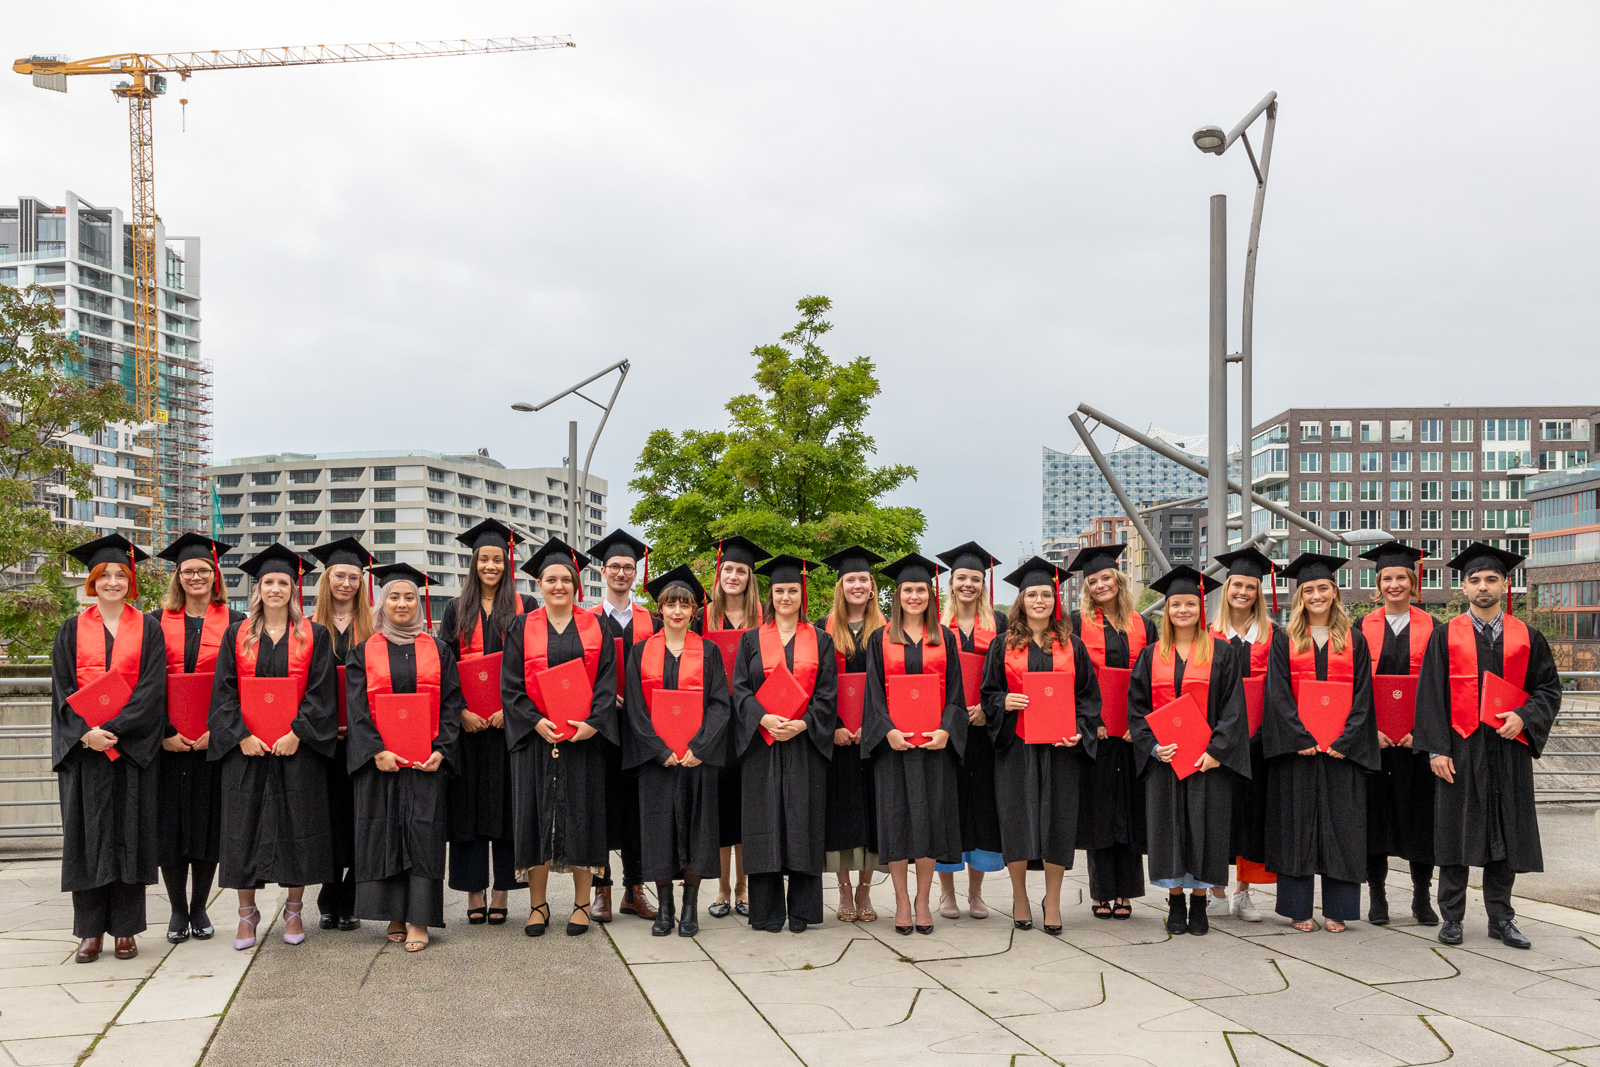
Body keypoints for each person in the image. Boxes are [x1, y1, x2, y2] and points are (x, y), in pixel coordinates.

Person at [1413, 543, 1562, 949]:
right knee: (1455, 832)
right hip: (1460, 747)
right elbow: (1430, 695)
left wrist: (1525, 717)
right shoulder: (1445, 636)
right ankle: (1452, 918)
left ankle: (1502, 918)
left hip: (1508, 746)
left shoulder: (1527, 637)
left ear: (1505, 584)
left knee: (1505, 832)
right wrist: (1436, 749)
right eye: (1475, 580)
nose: (1483, 587)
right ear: (1464, 587)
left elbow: (1548, 689)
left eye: (1491, 579)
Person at [209, 544, 339, 950]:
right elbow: (223, 692)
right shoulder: (237, 634)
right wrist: (241, 735)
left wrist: (297, 733)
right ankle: (246, 914)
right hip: (246, 750)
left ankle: (294, 910)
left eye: (283, 582)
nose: (276, 589)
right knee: (242, 830)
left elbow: (321, 692)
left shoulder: (314, 634)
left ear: (293, 589)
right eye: (269, 582)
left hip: (296, 749)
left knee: (298, 828)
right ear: (258, 588)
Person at [52, 534, 165, 964]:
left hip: (130, 751)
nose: (113, 582)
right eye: (105, 576)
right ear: (92, 582)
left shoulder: (148, 628)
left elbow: (152, 690)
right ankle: (88, 932)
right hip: (86, 754)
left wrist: (113, 729)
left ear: (130, 581)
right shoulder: (71, 629)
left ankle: (125, 929)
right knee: (86, 837)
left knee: (130, 836)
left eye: (120, 575)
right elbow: (62, 689)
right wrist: (86, 733)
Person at [501, 537, 619, 937]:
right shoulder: (522, 626)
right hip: (536, 739)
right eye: (551, 579)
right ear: (539, 585)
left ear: (576, 584)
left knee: (583, 816)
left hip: (583, 740)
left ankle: (582, 905)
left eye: (566, 579)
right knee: (535, 817)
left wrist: (593, 723)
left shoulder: (596, 625)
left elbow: (607, 682)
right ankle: (538, 905)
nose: (559, 586)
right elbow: (511, 685)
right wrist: (535, 721)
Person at [344, 563, 463, 952]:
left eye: (409, 597)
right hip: (381, 763)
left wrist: (442, 750)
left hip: (426, 763)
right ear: (382, 602)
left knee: (423, 835)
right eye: (394, 596)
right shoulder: (364, 651)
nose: (401, 603)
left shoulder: (439, 650)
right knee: (385, 833)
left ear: (419, 603)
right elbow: (357, 708)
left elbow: (451, 705)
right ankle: (393, 914)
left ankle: (419, 919)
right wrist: (376, 751)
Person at [1127, 566, 1250, 936]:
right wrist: (1153, 748)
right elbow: (1137, 709)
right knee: (1169, 831)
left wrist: (1217, 751)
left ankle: (1200, 901)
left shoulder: (1222, 653)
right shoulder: (1150, 655)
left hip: (1207, 762)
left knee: (1206, 829)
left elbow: (1234, 708)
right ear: (1166, 609)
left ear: (1201, 609)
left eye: (1190, 604)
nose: (1183, 610)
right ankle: (1175, 900)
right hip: (1165, 761)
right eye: (1176, 604)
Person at [981, 556, 1101, 935]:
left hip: (1061, 748)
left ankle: (1053, 900)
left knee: (1059, 822)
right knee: (1015, 819)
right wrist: (1005, 701)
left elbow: (1088, 698)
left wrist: (1080, 730)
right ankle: (1019, 897)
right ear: (1021, 600)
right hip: (1016, 745)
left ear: (1055, 600)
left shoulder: (1072, 645)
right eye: (1032, 594)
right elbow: (988, 693)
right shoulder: (1002, 645)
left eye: (1046, 595)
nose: (1039, 601)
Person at [1262, 553, 1379, 933]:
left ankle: (1337, 909)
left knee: (1343, 827)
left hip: (1342, 752)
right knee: (1296, 826)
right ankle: (1298, 908)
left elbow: (1363, 695)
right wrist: (1298, 736)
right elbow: (1277, 692)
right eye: (1309, 589)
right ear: (1300, 596)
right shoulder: (1284, 640)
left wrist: (1347, 739)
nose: (1316, 595)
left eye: (1323, 588)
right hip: (1298, 751)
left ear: (1335, 592)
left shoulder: (1355, 639)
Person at [731, 555, 838, 933]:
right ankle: (766, 912)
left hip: (804, 744)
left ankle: (803, 912)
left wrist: (804, 723)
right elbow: (740, 689)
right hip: (762, 744)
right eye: (779, 591)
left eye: (793, 590)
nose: (786, 597)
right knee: (764, 823)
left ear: (801, 594)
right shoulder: (751, 640)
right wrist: (762, 718)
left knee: (802, 822)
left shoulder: (821, 640)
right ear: (770, 595)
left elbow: (827, 693)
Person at [863, 553, 967, 936]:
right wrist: (887, 731)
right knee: (896, 824)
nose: (914, 596)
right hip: (894, 748)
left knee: (929, 824)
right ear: (897, 595)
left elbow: (955, 692)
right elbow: (873, 693)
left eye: (921, 590)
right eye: (907, 589)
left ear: (930, 595)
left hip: (934, 748)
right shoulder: (880, 638)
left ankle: (923, 901)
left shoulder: (945, 638)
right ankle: (902, 902)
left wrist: (947, 730)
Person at [624, 565, 731, 936]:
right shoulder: (640, 652)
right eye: (670, 604)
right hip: (657, 761)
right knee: (659, 832)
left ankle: (690, 909)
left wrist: (700, 747)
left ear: (694, 611)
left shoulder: (709, 652)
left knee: (697, 833)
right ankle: (665, 908)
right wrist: (658, 749)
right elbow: (636, 708)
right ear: (660, 609)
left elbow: (720, 704)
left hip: (697, 759)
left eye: (684, 605)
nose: (677, 611)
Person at [438, 520, 533, 928]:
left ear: (507, 562)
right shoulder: (455, 608)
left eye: (497, 559)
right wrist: (460, 712)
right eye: (484, 559)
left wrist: (511, 710)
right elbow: (443, 666)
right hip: (469, 729)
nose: (490, 566)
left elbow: (533, 665)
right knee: (468, 810)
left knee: (509, 809)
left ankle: (501, 892)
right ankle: (474, 891)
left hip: (510, 727)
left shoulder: (526, 605)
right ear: (474, 563)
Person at [152, 532, 244, 944]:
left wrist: (219, 732)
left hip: (214, 742)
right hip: (167, 744)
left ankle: (200, 906)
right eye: (188, 571)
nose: (196, 577)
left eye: (203, 570)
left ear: (215, 575)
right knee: (170, 826)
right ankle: (177, 909)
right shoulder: (154, 622)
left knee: (208, 824)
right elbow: (146, 684)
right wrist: (163, 732)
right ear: (178, 576)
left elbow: (240, 683)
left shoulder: (237, 622)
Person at [1355, 541, 1440, 927]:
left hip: (1416, 744)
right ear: (1378, 584)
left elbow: (1439, 688)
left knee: (1421, 820)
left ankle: (1422, 897)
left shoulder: (1434, 628)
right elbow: (1354, 686)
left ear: (1412, 582)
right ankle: (1378, 896)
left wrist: (1421, 732)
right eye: (1387, 578)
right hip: (1374, 743)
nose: (1394, 584)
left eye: (1401, 578)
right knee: (1374, 820)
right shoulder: (1361, 628)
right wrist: (1368, 730)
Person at [1068, 544, 1152, 922]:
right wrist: (1091, 720)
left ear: (1118, 580)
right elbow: (1074, 677)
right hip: (1096, 731)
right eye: (1093, 581)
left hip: (1133, 733)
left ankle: (1126, 892)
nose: (1100, 585)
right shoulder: (1076, 623)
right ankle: (1102, 891)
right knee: (1100, 810)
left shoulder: (1143, 625)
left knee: (1129, 810)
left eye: (1106, 578)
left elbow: (1151, 679)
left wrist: (1141, 725)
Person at [695, 535, 769, 919]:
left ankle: (745, 886)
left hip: (753, 721)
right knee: (721, 806)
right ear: (719, 574)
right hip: (715, 723)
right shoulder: (702, 617)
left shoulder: (765, 618)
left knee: (749, 806)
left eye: (741, 571)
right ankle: (723, 888)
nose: (734, 576)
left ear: (750, 577)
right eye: (728, 570)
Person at [587, 528, 658, 924]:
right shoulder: (587, 621)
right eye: (614, 566)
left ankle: (635, 889)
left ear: (636, 573)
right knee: (600, 805)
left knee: (637, 806)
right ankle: (602, 889)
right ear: (602, 571)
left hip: (640, 726)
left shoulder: (652, 621)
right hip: (600, 727)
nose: (620, 573)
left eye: (628, 567)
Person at [933, 541, 1006, 920]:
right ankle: (946, 892)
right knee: (947, 806)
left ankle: (976, 892)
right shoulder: (934, 624)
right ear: (951, 582)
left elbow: (1008, 675)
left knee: (982, 807)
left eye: (975, 579)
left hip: (984, 731)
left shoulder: (1000, 624)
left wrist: (987, 709)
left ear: (983, 584)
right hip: (945, 731)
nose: (968, 584)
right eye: (961, 577)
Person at [306, 536, 376, 932]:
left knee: (359, 814)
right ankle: (328, 894)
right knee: (327, 815)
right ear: (327, 579)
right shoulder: (308, 626)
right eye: (339, 576)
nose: (346, 583)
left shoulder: (373, 627)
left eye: (353, 577)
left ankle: (350, 897)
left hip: (363, 739)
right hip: (322, 739)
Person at [1209, 546, 1280, 923]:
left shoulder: (1274, 635)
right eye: (1237, 585)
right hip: (1218, 742)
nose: (1243, 592)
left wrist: (1263, 734)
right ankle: (1215, 890)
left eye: (1251, 586)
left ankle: (1242, 892)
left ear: (1259, 592)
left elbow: (1280, 690)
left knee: (1252, 817)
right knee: (1218, 815)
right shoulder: (1209, 633)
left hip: (1259, 741)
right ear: (1227, 588)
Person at [819, 546, 887, 923]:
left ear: (872, 586)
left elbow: (890, 686)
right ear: (840, 586)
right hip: (837, 739)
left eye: (863, 579)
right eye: (850, 580)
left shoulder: (888, 630)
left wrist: (871, 726)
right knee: (841, 813)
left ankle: (865, 889)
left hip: (873, 739)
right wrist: (834, 727)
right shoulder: (822, 628)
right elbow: (816, 685)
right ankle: (844, 889)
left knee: (871, 814)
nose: (857, 585)